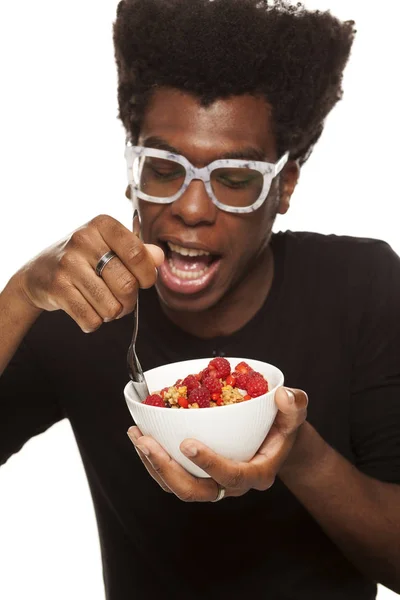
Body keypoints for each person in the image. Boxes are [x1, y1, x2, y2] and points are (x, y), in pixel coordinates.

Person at [1, 0, 400, 598]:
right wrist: (20, 294)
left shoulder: (362, 284)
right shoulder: (80, 309)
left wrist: (299, 453)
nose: (190, 207)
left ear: (283, 186)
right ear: (132, 168)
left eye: (235, 179)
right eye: (164, 169)